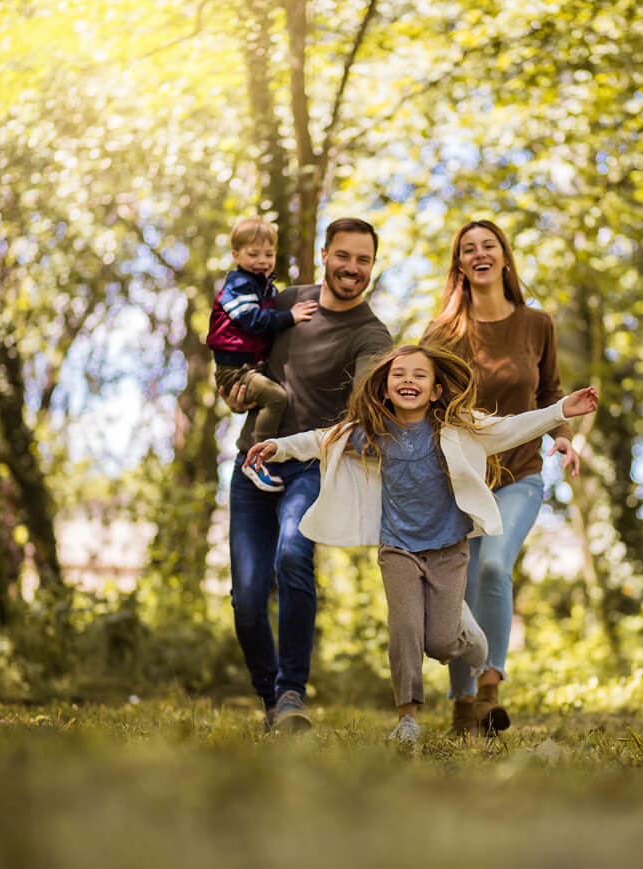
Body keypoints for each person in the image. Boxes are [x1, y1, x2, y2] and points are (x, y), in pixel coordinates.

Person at [245, 344, 599, 744]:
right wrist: (279, 447)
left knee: (441, 643)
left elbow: (509, 428)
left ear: (435, 391)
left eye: (419, 375)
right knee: (406, 629)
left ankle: (470, 636)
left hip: (449, 550)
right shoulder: (371, 433)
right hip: (398, 548)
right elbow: (323, 439)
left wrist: (561, 410)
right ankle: (407, 719)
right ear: (383, 388)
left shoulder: (456, 430)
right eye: (398, 374)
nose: (408, 380)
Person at [223, 217, 392, 734]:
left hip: (313, 466)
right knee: (248, 597)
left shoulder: (372, 334)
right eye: (344, 256)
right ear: (324, 255)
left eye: (363, 260)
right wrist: (232, 391)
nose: (353, 269)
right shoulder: (284, 302)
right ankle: (269, 696)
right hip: (254, 460)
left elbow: (366, 400)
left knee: (294, 556)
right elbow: (233, 350)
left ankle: (292, 691)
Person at [423, 218, 581, 736]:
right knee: (461, 590)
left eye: (488, 245)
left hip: (521, 474)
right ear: (460, 265)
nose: (479, 253)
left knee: (493, 568)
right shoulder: (443, 331)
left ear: (504, 258)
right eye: (468, 249)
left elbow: (550, 393)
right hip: (460, 481)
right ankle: (462, 704)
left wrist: (563, 437)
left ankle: (489, 686)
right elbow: (423, 401)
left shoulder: (538, 324)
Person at [207, 217, 319, 491]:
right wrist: (289, 316)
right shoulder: (239, 285)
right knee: (276, 398)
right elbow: (253, 321)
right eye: (253, 254)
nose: (262, 260)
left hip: (250, 367)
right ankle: (257, 459)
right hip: (235, 370)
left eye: (268, 254)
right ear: (236, 255)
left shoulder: (262, 286)